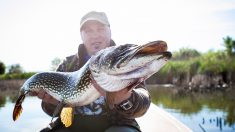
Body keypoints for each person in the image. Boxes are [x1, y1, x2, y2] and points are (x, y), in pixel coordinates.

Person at [32, 11, 151, 132]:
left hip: (118, 124)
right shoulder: (67, 65)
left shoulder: (124, 59)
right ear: (81, 35)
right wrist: (53, 103)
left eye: (100, 29)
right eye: (88, 31)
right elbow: (50, 111)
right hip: (73, 125)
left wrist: (125, 99)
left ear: (110, 31)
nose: (95, 35)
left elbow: (143, 104)